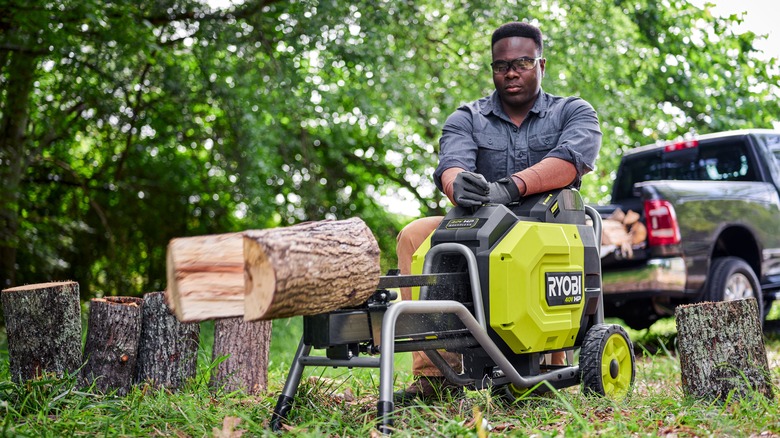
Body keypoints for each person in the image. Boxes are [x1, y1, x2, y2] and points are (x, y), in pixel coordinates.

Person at [394, 21, 602, 403]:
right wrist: (457, 184)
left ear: (542, 65)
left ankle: (548, 360)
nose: (510, 72)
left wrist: (509, 187)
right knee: (413, 235)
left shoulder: (573, 112)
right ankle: (432, 372)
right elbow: (451, 164)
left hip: (548, 227)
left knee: (532, 245)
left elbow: (571, 161)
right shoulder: (467, 117)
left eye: (522, 62)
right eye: (500, 65)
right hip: (477, 225)